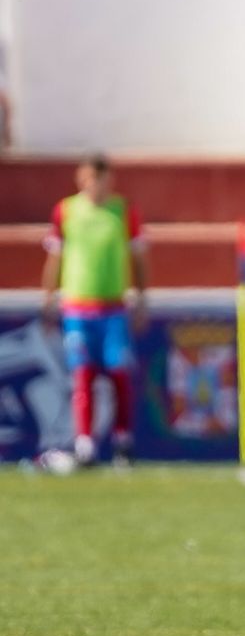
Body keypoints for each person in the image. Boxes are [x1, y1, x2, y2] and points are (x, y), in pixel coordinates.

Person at [40, 154, 148, 468]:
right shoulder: (67, 211)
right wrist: (48, 298)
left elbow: (139, 258)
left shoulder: (123, 211)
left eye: (101, 179)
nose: (95, 185)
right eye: (89, 178)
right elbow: (55, 258)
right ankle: (85, 443)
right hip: (77, 307)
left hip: (114, 307)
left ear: (109, 180)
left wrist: (141, 299)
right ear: (81, 179)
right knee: (83, 375)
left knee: (119, 374)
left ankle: (122, 442)